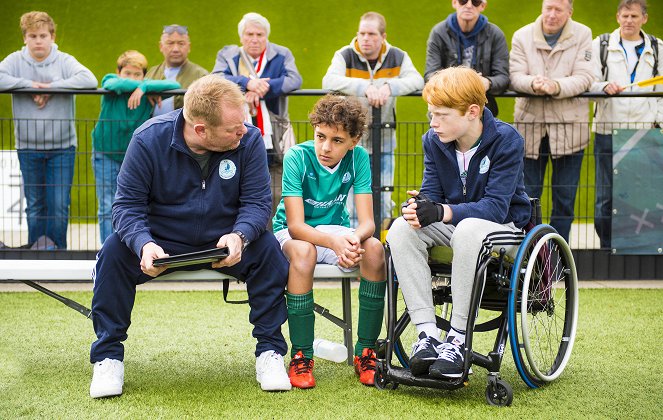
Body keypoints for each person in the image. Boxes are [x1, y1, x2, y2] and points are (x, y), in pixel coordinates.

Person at [88, 75, 292, 398]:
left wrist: (240, 235)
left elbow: (257, 203)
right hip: (161, 241)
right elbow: (126, 207)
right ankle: (108, 356)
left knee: (268, 250)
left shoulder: (249, 140)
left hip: (225, 239)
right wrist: (144, 244)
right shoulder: (147, 140)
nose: (244, 131)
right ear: (201, 130)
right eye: (233, 129)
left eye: (242, 123)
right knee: (114, 251)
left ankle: (270, 352)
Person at [386, 67, 530, 379]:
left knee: (467, 229)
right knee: (400, 228)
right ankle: (427, 335)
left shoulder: (507, 140)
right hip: (458, 228)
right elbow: (433, 194)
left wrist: (441, 212)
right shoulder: (433, 140)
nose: (433, 123)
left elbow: (495, 208)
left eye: (442, 115)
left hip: (505, 229)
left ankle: (459, 340)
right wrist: (420, 207)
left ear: (473, 112)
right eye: (430, 114)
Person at [272, 95, 386, 388]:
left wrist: (351, 241)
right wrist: (336, 244)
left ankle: (366, 352)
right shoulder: (297, 156)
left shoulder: (358, 158)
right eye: (321, 136)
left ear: (354, 141)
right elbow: (296, 226)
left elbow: (368, 224)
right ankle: (301, 355)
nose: (325, 147)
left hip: (333, 232)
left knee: (373, 249)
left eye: (337, 140)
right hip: (291, 233)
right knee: (304, 252)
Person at [0, 11, 97, 250]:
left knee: (58, 204)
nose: (38, 41)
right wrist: (30, 85)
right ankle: (35, 252)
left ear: (52, 36)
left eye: (43, 35)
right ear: (25, 38)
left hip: (62, 147)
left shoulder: (63, 60)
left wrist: (52, 88)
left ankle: (57, 252)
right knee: (34, 204)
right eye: (32, 36)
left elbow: (89, 80)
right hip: (27, 146)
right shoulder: (14, 60)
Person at [322, 11, 424, 227]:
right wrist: (364, 87)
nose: (365, 39)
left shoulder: (398, 56)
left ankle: (379, 246)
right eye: (361, 33)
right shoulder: (345, 54)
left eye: (371, 34)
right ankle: (352, 248)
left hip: (385, 136)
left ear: (383, 37)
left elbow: (417, 80)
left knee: (383, 195)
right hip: (350, 138)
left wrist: (389, 86)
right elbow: (328, 80)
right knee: (349, 195)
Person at [509, 0, 594, 243]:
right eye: (548, 8)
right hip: (530, 129)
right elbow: (515, 76)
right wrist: (533, 84)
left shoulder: (583, 35)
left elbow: (585, 76)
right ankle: (530, 258)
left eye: (558, 9)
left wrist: (555, 85)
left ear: (570, 12)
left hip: (569, 130)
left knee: (564, 199)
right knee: (528, 197)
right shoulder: (522, 36)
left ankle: (558, 259)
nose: (552, 14)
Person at [213, 12, 303, 218]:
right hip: (237, 126)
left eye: (260, 35)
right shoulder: (228, 55)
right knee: (239, 177)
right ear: (241, 37)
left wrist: (263, 87)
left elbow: (294, 80)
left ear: (267, 37)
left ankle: (278, 231)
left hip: (275, 129)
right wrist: (246, 83)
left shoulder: (282, 54)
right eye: (249, 34)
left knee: (278, 181)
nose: (254, 39)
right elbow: (217, 77)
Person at [590, 0, 662, 249]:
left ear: (645, 18)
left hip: (644, 133)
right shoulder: (600, 46)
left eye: (634, 16)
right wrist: (603, 87)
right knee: (605, 197)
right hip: (608, 130)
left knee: (641, 197)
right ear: (617, 17)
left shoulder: (658, 48)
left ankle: (636, 248)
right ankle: (607, 248)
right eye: (624, 15)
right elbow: (588, 81)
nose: (629, 20)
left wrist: (657, 124)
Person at [91, 50, 180, 244]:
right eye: (127, 73)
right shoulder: (112, 83)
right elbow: (112, 83)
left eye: (138, 74)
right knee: (107, 204)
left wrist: (145, 87)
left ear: (144, 75)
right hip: (105, 153)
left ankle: (129, 245)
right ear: (119, 72)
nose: (132, 78)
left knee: (136, 204)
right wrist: (142, 87)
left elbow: (175, 85)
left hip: (131, 157)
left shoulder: (147, 90)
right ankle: (108, 247)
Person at [424, 0, 509, 117]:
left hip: (482, 112)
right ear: (454, 3)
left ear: (483, 6)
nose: (469, 5)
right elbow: (431, 75)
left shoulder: (495, 34)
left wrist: (486, 83)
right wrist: (461, 83)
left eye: (476, 2)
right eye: (463, 1)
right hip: (444, 109)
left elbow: (503, 78)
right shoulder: (439, 32)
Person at [146, 24, 208, 117]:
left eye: (181, 43)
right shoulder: (151, 73)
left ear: (189, 47)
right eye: (170, 43)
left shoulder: (202, 76)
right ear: (161, 46)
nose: (175, 49)